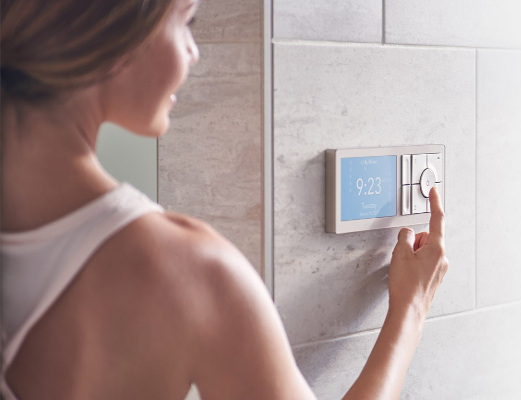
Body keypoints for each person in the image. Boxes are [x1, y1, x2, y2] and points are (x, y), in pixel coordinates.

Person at [0, 0, 450, 398]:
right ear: (114, 27)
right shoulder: (185, 269)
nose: (194, 52)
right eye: (186, 20)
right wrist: (410, 308)